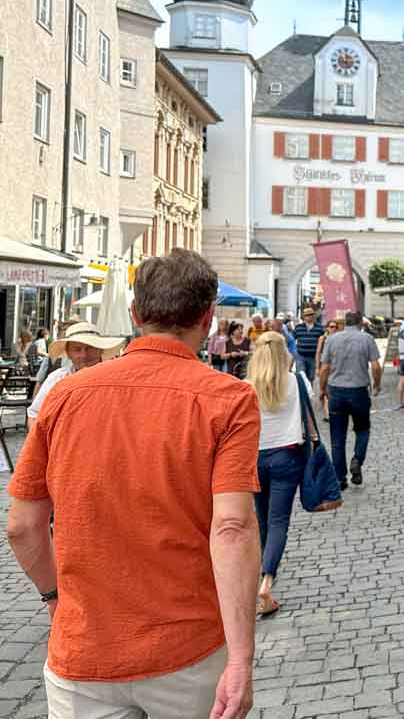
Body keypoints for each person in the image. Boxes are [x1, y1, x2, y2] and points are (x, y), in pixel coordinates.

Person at [6, 248, 261, 719]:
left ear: (135, 313)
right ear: (207, 317)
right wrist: (242, 658)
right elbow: (232, 528)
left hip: (84, 646)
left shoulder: (65, 395)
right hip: (187, 646)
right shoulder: (228, 399)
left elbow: (22, 526)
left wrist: (53, 597)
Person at [247, 331, 332, 619]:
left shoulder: (246, 386)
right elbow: (308, 414)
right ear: (285, 352)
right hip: (288, 456)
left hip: (255, 458)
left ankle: (261, 574)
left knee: (262, 520)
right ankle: (267, 581)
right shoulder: (296, 380)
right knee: (279, 520)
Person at [319, 311, 382, 488]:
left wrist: (322, 389)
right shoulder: (366, 339)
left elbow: (324, 368)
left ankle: (340, 478)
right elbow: (376, 366)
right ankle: (357, 460)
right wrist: (377, 385)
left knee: (337, 437)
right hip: (358, 391)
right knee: (362, 430)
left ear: (343, 323)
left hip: (337, 391)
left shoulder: (332, 339)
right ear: (361, 323)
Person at [27, 323, 126, 432]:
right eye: (77, 349)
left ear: (100, 350)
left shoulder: (115, 380)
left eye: (90, 348)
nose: (84, 355)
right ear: (69, 354)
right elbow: (35, 414)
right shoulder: (57, 378)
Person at [292, 307, 323, 382]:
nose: (309, 316)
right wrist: (294, 352)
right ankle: (302, 393)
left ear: (314, 315)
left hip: (313, 357)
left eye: (311, 314)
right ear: (303, 317)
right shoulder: (298, 327)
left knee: (310, 378)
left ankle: (309, 393)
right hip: (300, 356)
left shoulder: (319, 328)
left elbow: (323, 342)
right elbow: (292, 340)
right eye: (307, 315)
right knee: (301, 377)